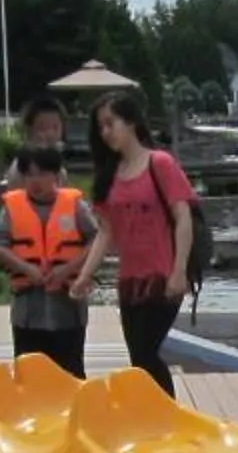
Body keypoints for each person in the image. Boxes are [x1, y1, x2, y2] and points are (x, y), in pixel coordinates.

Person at [74, 91, 194, 393]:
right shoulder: (110, 175)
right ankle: (152, 419)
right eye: (100, 127)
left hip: (163, 276)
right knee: (138, 361)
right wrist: (85, 275)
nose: (105, 132)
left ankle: (168, 419)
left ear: (131, 122)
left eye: (110, 123)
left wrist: (179, 270)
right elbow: (106, 231)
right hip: (130, 282)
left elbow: (184, 217)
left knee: (146, 353)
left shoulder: (160, 163)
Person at [0, 143, 98, 376]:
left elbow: (96, 240)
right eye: (29, 174)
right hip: (27, 309)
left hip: (68, 307)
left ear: (56, 175)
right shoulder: (12, 208)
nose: (35, 180)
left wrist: (68, 269)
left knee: (70, 372)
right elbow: (0, 245)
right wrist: (25, 268)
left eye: (42, 173)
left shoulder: (75, 207)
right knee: (30, 375)